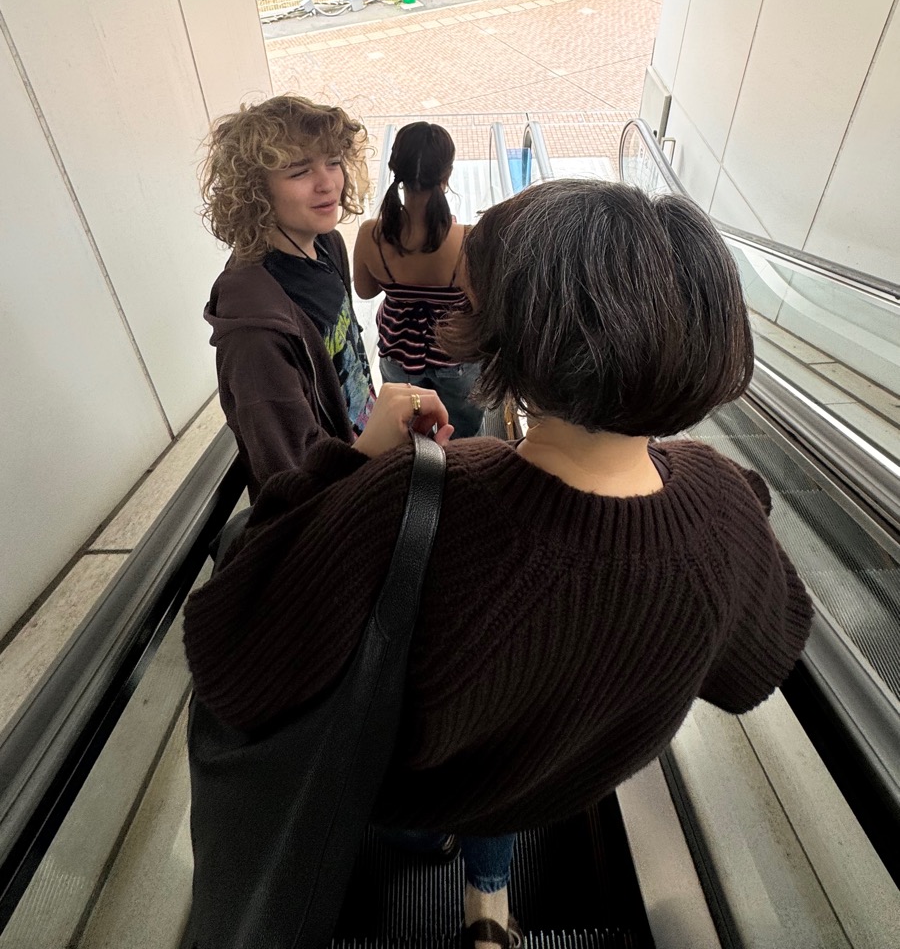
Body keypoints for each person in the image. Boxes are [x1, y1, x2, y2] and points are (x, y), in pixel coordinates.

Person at [185, 180, 813, 949]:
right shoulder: (718, 504)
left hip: (412, 790)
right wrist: (732, 505)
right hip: (549, 787)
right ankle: (489, 908)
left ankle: (427, 851)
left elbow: (234, 647)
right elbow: (753, 667)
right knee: (499, 793)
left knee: (419, 820)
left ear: (507, 342)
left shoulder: (412, 500)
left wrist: (349, 464)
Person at [200, 94, 389, 499]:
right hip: (340, 504)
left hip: (369, 459)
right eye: (300, 171)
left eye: (334, 162)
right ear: (256, 191)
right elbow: (291, 482)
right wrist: (381, 446)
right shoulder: (254, 334)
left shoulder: (328, 245)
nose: (328, 184)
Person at [354, 121, 484, 438]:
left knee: (407, 432)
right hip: (455, 359)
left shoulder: (371, 234)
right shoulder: (467, 240)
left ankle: (416, 476)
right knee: (461, 433)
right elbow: (483, 308)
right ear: (447, 175)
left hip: (398, 353)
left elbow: (365, 290)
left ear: (394, 167)